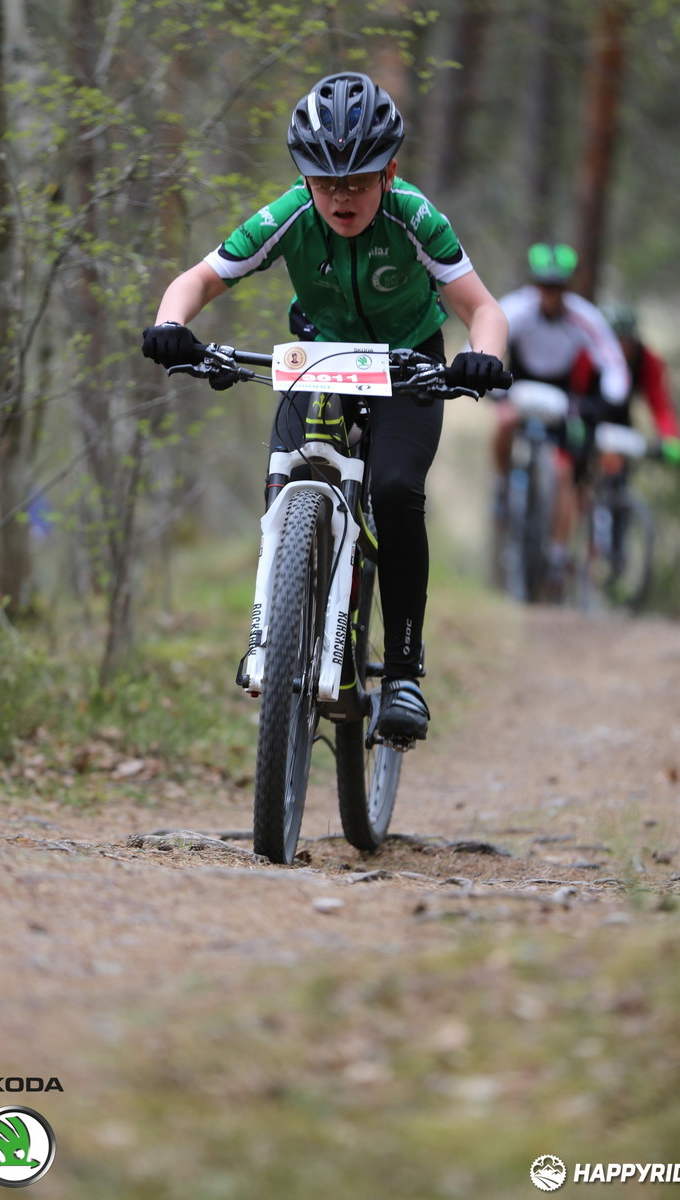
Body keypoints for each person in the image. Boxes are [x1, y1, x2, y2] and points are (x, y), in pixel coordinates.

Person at [141, 72, 508, 742]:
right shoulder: (288, 215)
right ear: (304, 177)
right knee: (284, 475)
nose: (342, 196)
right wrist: (171, 324)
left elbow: (482, 308)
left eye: (359, 180)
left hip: (407, 363)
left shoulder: (415, 218)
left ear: (389, 172)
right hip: (320, 357)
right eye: (326, 180)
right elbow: (198, 279)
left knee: (395, 491)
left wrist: (479, 355)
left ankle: (402, 672)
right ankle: (275, 632)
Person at [491, 242, 631, 592]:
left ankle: (555, 554)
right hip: (519, 383)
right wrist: (487, 381)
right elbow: (484, 341)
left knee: (564, 470)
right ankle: (502, 482)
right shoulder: (516, 309)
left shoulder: (583, 317)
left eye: (557, 287)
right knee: (505, 421)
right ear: (534, 285)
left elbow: (612, 362)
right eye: (544, 286)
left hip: (562, 395)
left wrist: (608, 400)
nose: (550, 294)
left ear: (567, 288)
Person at [600, 303, 680, 461]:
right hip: (588, 415)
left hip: (621, 421)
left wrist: (670, 436)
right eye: (616, 340)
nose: (622, 347)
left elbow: (659, 403)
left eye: (627, 340)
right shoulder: (590, 356)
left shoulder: (646, 360)